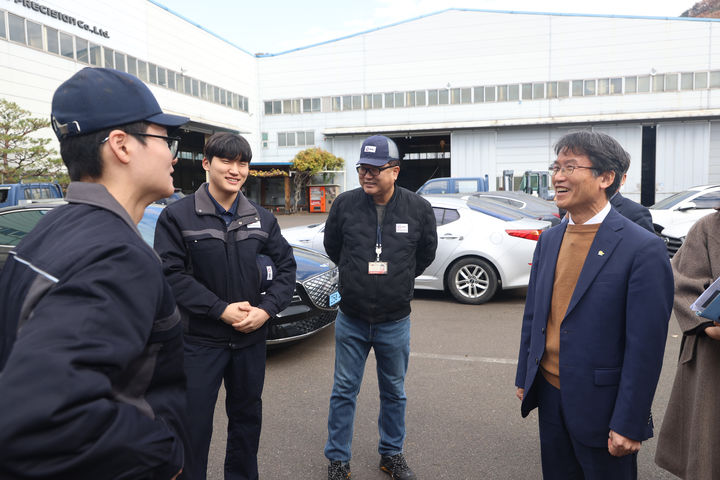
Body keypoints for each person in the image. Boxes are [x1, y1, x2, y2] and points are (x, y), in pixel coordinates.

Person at [0, 67, 190, 479]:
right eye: (165, 140)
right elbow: (43, 419)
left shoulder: (51, 229)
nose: (173, 155)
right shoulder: (115, 255)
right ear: (121, 145)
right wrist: (166, 456)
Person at [514, 130, 674, 479]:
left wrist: (630, 421)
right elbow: (535, 314)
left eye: (570, 167)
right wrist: (525, 373)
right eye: (556, 167)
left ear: (606, 177)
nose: (557, 176)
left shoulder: (641, 248)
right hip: (550, 394)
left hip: (603, 404)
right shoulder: (550, 239)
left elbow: (645, 347)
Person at [154, 132, 296, 480]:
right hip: (199, 342)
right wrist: (220, 309)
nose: (235, 170)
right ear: (207, 163)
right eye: (227, 161)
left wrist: (266, 310)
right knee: (194, 427)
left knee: (247, 423)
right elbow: (170, 275)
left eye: (242, 163)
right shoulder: (178, 216)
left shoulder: (262, 218)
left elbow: (287, 268)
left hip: (250, 341)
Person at [323, 135, 437, 480]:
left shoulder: (417, 208)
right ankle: (338, 460)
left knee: (394, 392)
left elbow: (425, 255)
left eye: (375, 169)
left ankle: (392, 455)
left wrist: (397, 282)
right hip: (352, 318)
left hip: (394, 319)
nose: (366, 175)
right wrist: (359, 276)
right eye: (362, 168)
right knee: (344, 390)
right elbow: (333, 247)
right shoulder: (344, 205)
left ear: (395, 171)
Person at [655, 209, 720, 479]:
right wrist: (706, 324)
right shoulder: (710, 227)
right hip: (713, 358)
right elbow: (681, 280)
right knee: (710, 445)